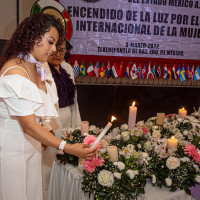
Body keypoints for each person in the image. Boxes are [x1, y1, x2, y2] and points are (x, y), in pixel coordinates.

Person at [0, 12, 97, 200]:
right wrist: (67, 147)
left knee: (33, 194)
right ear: (33, 37)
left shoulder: (38, 66)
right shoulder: (14, 71)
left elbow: (40, 111)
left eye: (56, 44)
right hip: (12, 149)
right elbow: (28, 125)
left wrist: (46, 131)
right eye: (50, 42)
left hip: (32, 145)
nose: (54, 49)